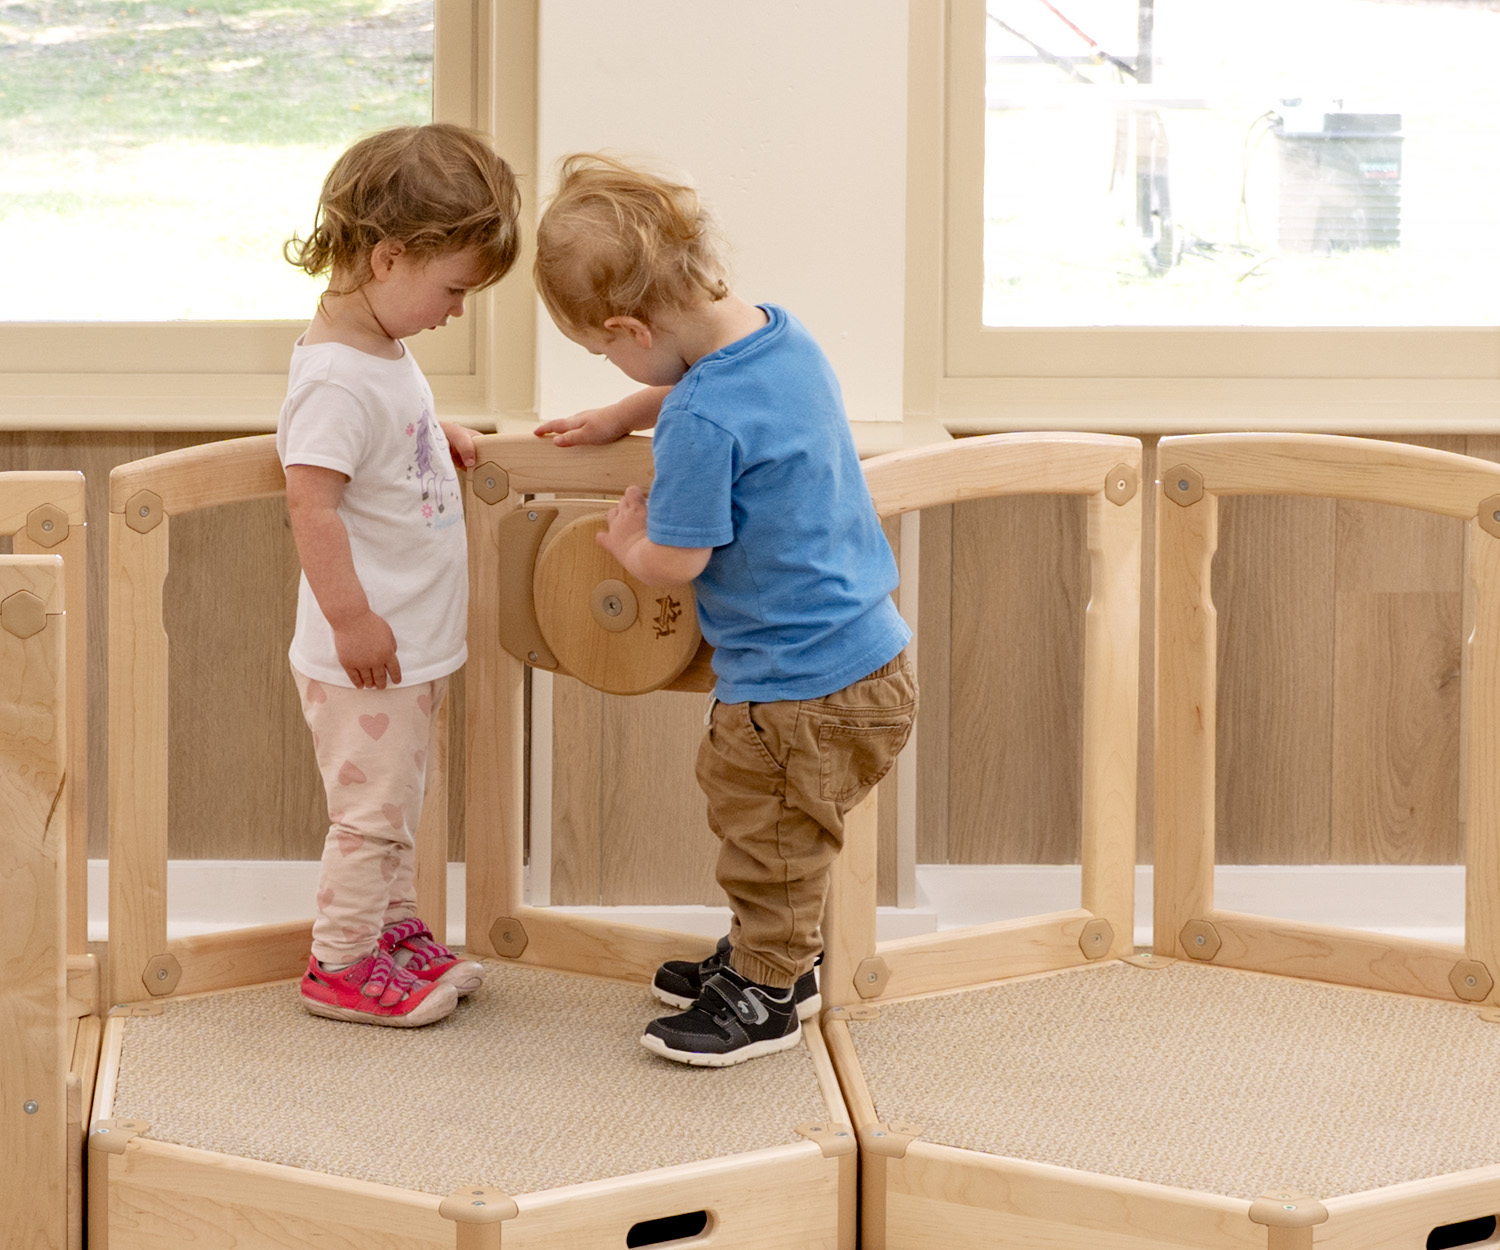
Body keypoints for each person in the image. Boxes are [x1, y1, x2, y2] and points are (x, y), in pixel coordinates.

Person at [533, 153, 918, 1065]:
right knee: (777, 829)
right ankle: (769, 954)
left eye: (607, 351)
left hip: (793, 691)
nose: (616, 362)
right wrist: (620, 414)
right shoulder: (781, 339)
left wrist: (629, 546)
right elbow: (706, 384)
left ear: (629, 326)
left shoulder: (700, 421)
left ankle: (770, 993)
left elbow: (679, 556)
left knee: (767, 838)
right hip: (868, 658)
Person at [278, 123, 521, 1026]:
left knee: (397, 805)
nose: (458, 309)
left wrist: (435, 431)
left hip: (403, 645)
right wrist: (351, 621)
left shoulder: (378, 354)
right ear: (388, 257)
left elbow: (383, 435)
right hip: (365, 654)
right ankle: (339, 965)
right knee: (371, 814)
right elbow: (312, 505)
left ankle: (391, 930)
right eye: (454, 288)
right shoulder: (337, 378)